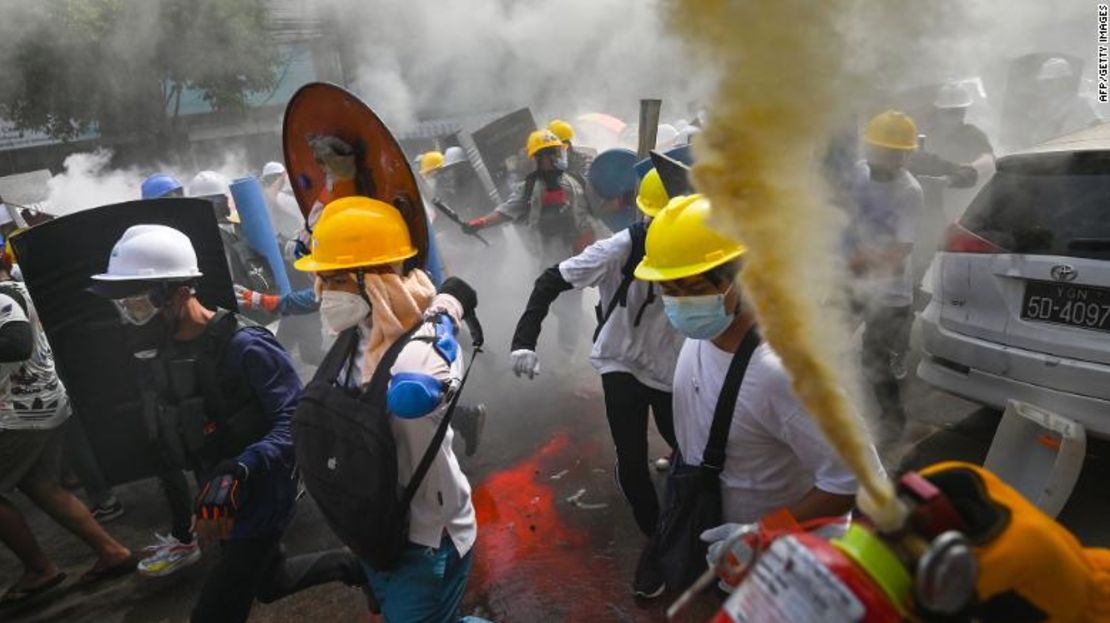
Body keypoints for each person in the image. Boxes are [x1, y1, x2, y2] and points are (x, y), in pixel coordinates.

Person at [88, 224, 361, 622]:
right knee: (270, 581)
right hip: (218, 492)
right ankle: (357, 566)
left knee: (215, 612)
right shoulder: (163, 349)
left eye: (139, 305)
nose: (131, 318)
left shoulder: (246, 346)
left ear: (179, 293)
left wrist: (241, 468)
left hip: (263, 490)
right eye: (124, 307)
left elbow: (297, 420)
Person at [632, 194, 870, 598]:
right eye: (668, 290)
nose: (680, 304)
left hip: (787, 570)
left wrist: (764, 535)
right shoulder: (701, 335)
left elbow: (853, 479)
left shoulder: (786, 373)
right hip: (729, 558)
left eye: (693, 288)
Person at [293, 196, 486, 621]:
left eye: (336, 278)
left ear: (375, 281)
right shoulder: (356, 333)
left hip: (427, 539)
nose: (324, 291)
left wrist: (446, 310)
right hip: (376, 528)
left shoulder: (423, 346)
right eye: (323, 277)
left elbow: (413, 391)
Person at [509, 167, 683, 538]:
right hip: (622, 360)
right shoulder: (620, 248)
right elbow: (550, 280)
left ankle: (687, 509)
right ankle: (655, 539)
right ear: (647, 216)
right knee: (632, 458)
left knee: (688, 444)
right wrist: (523, 342)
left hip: (673, 365)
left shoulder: (701, 245)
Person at [0, 278, 135, 605]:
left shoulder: (3, 295)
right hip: (42, 404)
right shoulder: (15, 286)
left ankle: (38, 568)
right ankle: (111, 551)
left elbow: (17, 342)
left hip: (21, 413)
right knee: (40, 484)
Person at [465, 130, 596, 358]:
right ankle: (591, 337)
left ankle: (573, 354)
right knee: (557, 305)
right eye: (549, 155)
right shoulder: (528, 188)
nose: (554, 159)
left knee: (570, 305)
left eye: (556, 153)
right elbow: (506, 211)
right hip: (545, 257)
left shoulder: (576, 181)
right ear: (537, 160)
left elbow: (593, 213)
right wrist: (480, 223)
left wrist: (590, 236)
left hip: (575, 254)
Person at [845, 111, 925, 444]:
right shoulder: (858, 174)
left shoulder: (910, 191)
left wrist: (854, 260)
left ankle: (894, 419)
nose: (883, 158)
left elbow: (899, 254)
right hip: (851, 279)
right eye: (878, 150)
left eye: (893, 152)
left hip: (889, 293)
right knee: (823, 342)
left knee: (873, 362)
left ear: (906, 154)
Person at [1028, 57, 1101, 146]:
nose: (1045, 85)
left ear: (1064, 81)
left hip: (1072, 153)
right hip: (1046, 153)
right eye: (1044, 82)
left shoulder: (1079, 103)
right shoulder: (1043, 105)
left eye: (1049, 81)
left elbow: (1097, 128)